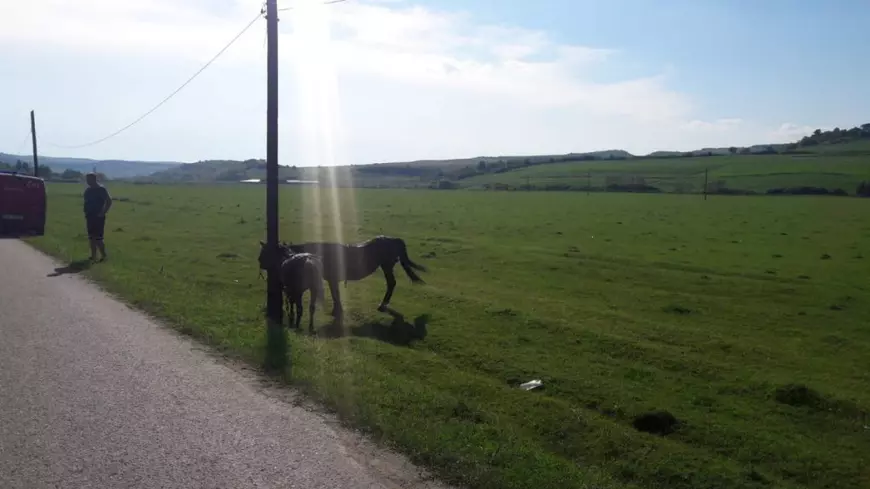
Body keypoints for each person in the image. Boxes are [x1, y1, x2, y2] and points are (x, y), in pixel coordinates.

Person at [83, 172, 112, 262]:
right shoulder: (88, 190)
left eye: (89, 180)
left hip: (98, 217)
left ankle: (104, 256)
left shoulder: (101, 189)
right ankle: (93, 256)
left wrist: (103, 212)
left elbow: (109, 201)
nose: (87, 181)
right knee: (91, 237)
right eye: (87, 180)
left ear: (94, 179)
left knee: (99, 238)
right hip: (89, 216)